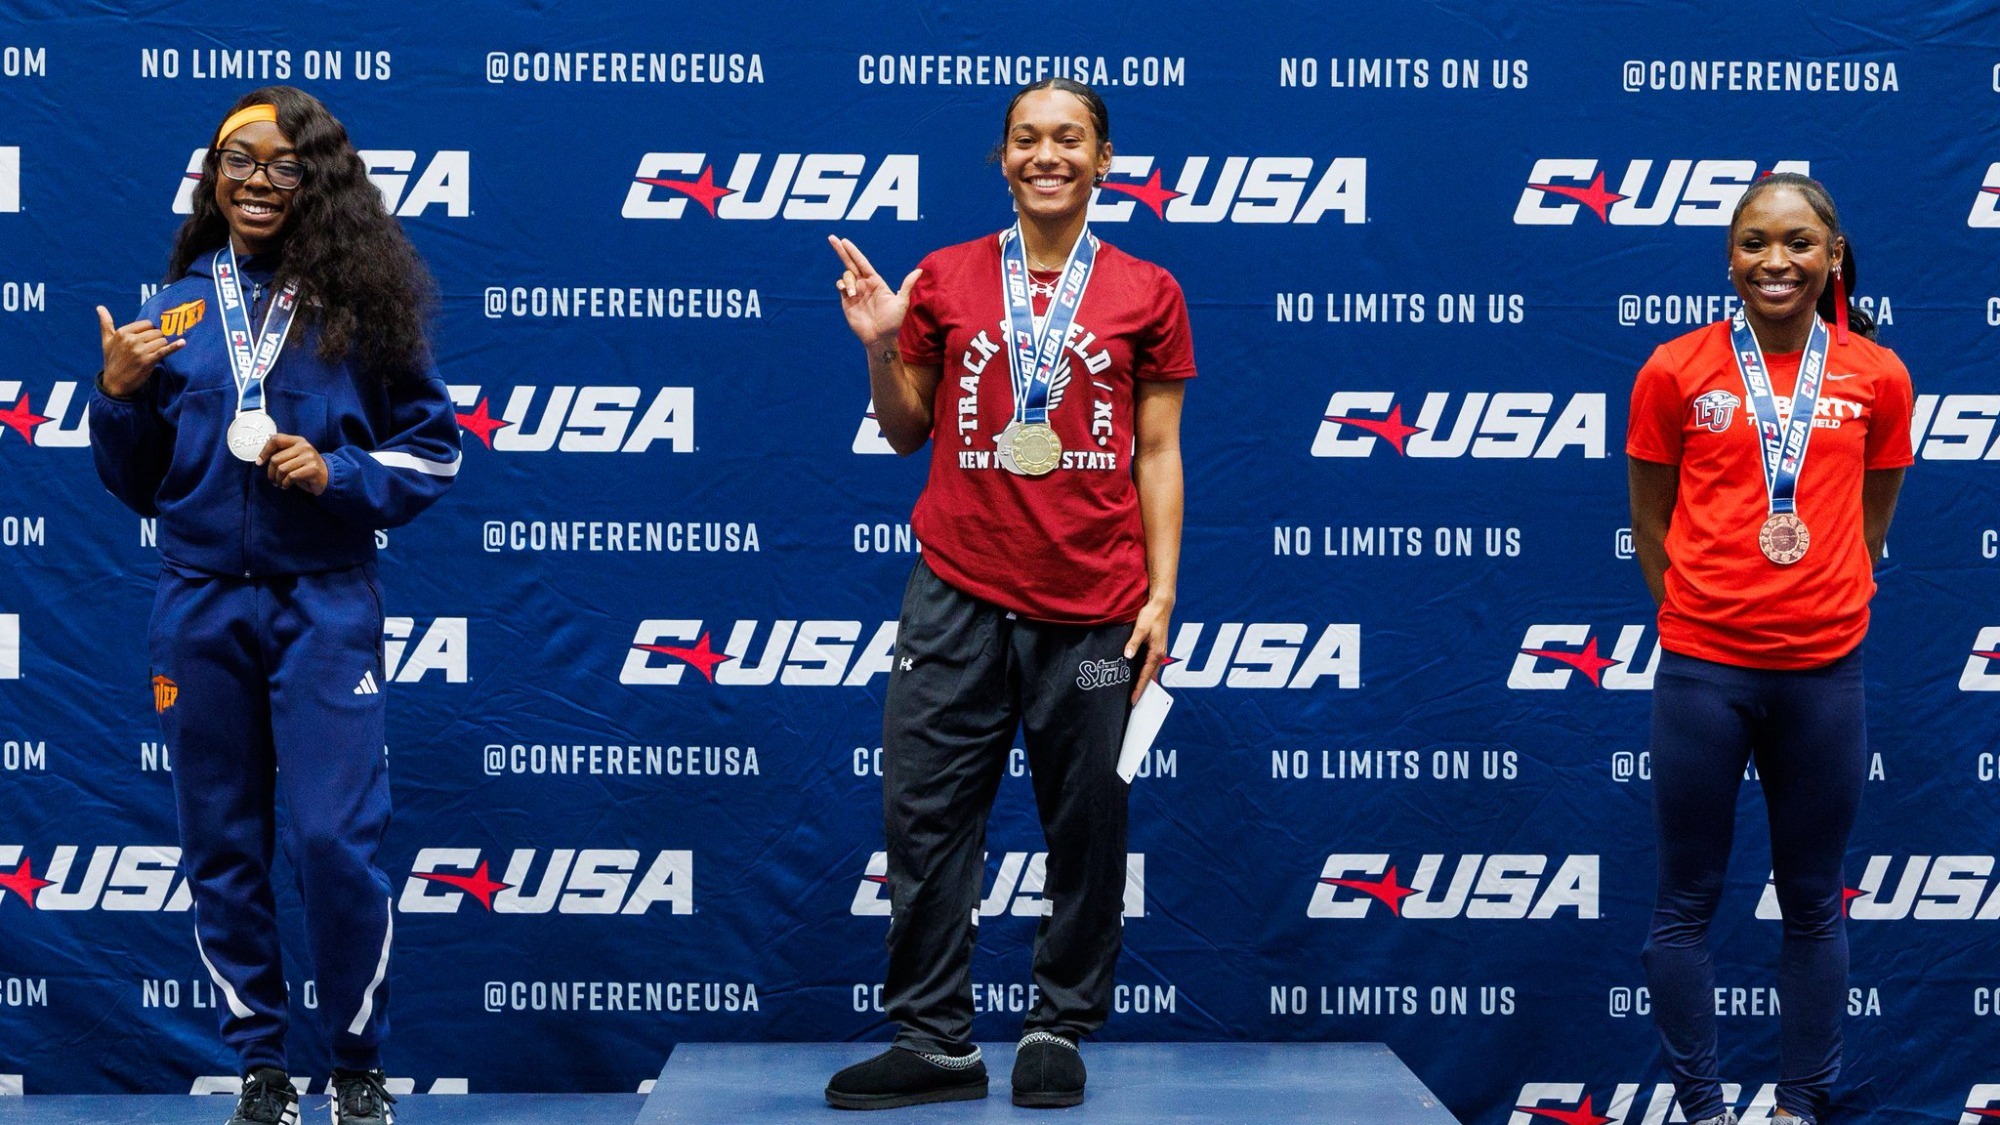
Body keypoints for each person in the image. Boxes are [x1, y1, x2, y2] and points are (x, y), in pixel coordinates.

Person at [91, 87, 460, 1125]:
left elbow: (436, 450)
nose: (257, 180)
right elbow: (138, 483)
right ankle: (260, 1064)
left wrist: (337, 472)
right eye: (236, 160)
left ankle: (356, 1065)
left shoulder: (361, 308)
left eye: (283, 164)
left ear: (318, 180)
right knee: (221, 844)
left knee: (335, 843)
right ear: (212, 176)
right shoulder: (174, 311)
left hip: (324, 604)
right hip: (199, 605)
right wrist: (116, 397)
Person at [822, 77, 1192, 1110]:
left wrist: (1161, 593)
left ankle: (1056, 1026)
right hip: (958, 591)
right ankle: (936, 1040)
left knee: (1086, 820)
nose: (1046, 155)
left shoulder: (1146, 290)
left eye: (1068, 138)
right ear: (1002, 158)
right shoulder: (946, 275)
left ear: (1102, 160)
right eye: (1026, 138)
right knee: (926, 815)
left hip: (1095, 606)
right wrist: (882, 341)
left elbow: (1158, 452)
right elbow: (906, 429)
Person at [1626, 172, 1910, 1125]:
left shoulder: (1878, 375)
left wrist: (1816, 600)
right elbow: (1651, 522)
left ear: (1834, 256)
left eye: (1797, 242)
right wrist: (1705, 620)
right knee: (1684, 904)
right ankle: (1702, 1110)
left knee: (1814, 902)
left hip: (1823, 675)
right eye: (1754, 242)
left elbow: (1871, 524)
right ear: (1729, 257)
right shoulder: (1674, 369)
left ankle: (1798, 1110)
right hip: (1704, 674)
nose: (1775, 261)